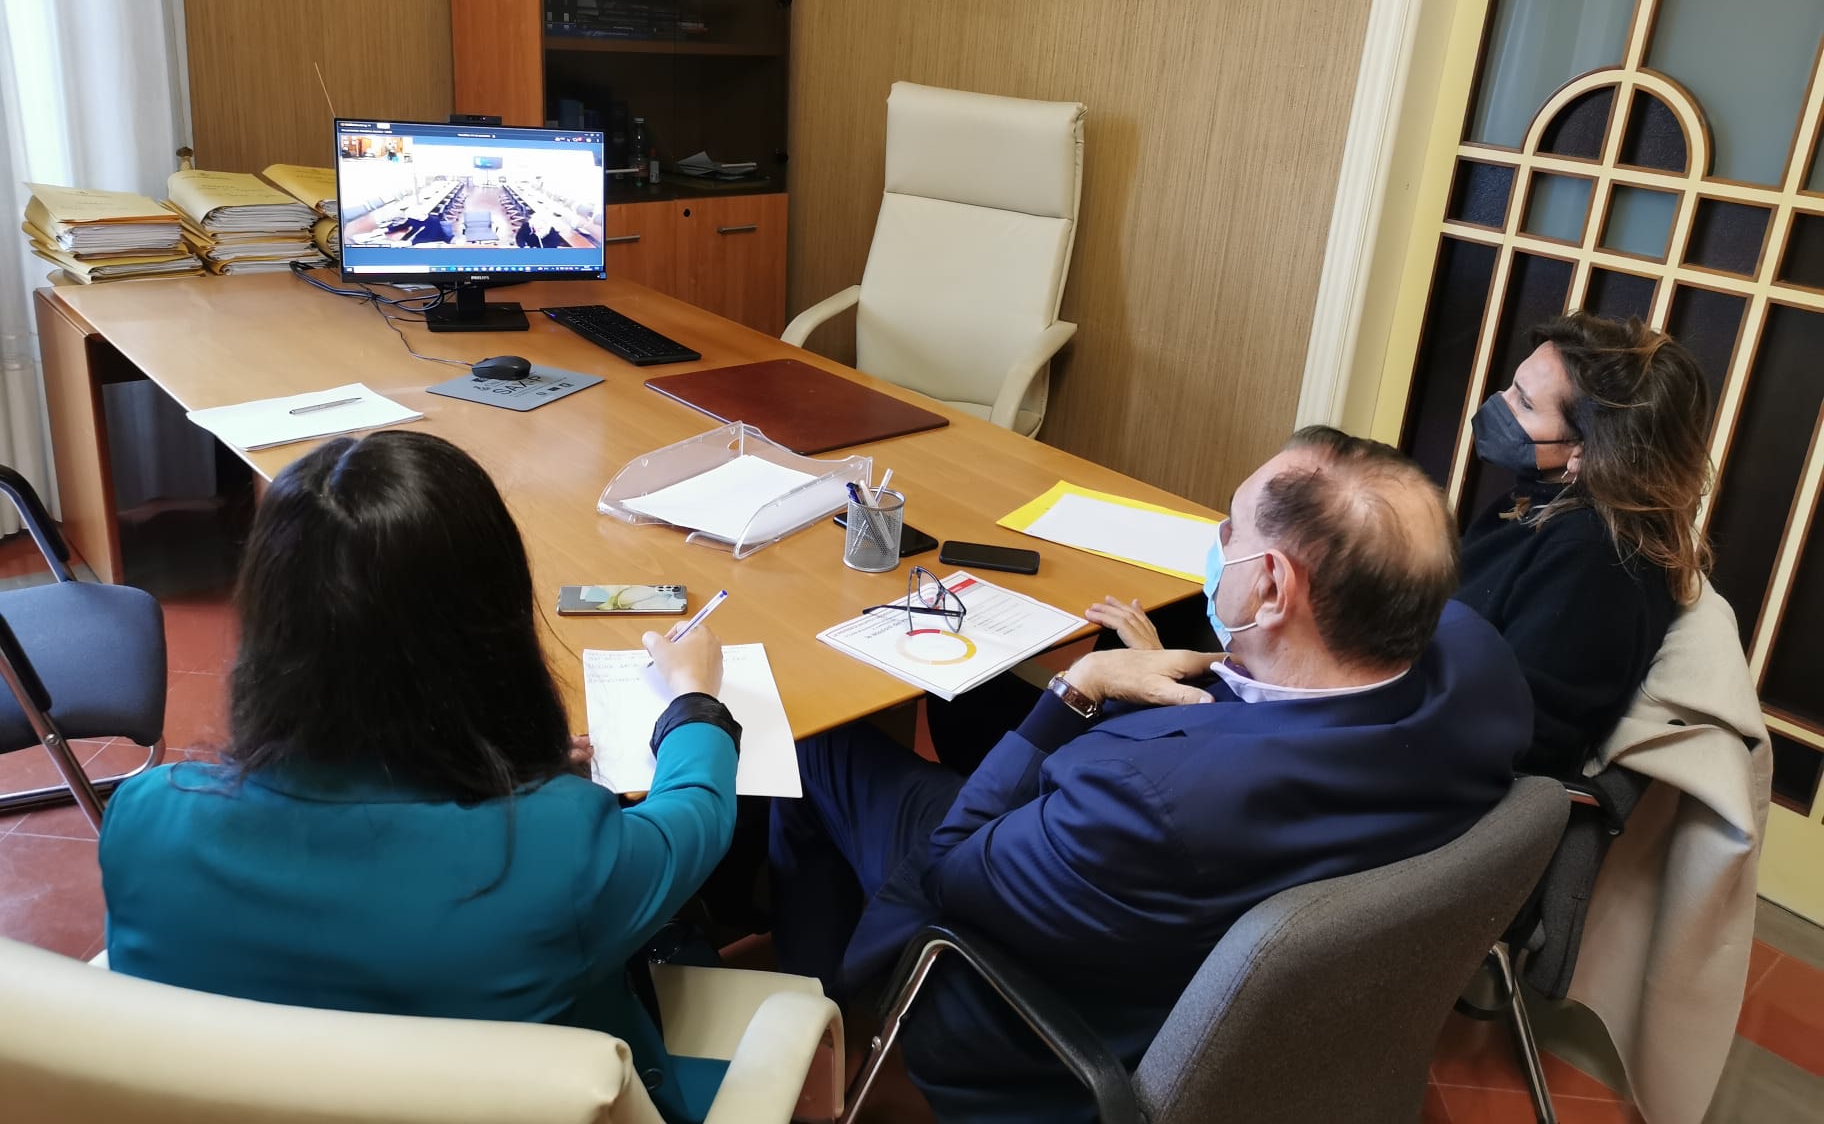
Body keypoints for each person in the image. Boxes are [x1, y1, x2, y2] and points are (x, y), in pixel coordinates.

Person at [769, 427, 1532, 1122]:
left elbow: (953, 864)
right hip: (1253, 969)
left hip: (1044, 1031)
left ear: (1271, 587)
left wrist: (1084, 684)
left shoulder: (1143, 800)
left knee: (821, 745)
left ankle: (815, 1026)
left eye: (1229, 530)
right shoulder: (1482, 669)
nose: (1217, 540)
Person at [99, 431, 740, 1124]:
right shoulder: (557, 855)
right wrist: (693, 702)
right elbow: (697, 812)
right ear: (490, 634)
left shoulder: (141, 821)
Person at [1457, 312, 1712, 779]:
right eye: (1513, 388)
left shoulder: (1595, 561)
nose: (1499, 405)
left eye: (1525, 404)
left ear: (1584, 450)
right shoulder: (1532, 500)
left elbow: (1521, 734)